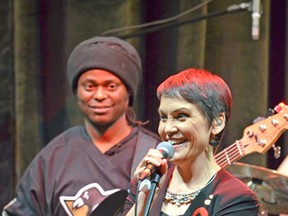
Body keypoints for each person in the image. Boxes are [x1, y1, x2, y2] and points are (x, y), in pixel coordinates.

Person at [2, 36, 161, 215]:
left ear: (128, 92)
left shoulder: (154, 156)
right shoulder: (54, 156)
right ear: (76, 92)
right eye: (89, 86)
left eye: (111, 86)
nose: (99, 95)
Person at [122, 68, 259, 215]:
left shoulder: (236, 198)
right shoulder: (147, 182)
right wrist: (143, 202)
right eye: (163, 117)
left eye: (181, 116)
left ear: (217, 123)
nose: (168, 128)